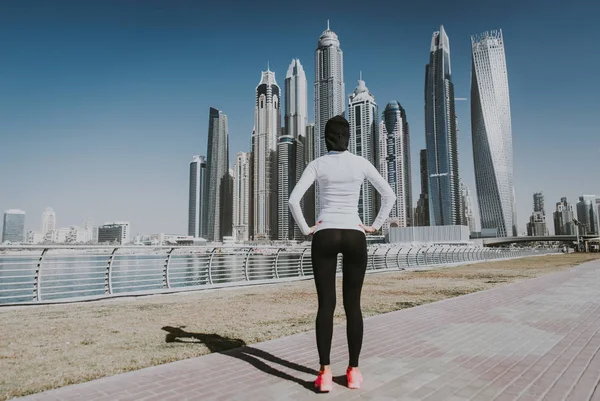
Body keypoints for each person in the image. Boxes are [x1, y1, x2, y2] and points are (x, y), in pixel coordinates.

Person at [288, 115, 396, 392]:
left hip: (324, 233)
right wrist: (374, 226)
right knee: (353, 306)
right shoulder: (360, 163)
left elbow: (292, 200)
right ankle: (354, 372)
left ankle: (324, 374)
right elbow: (389, 195)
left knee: (326, 306)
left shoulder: (318, 164)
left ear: (326, 137)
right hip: (354, 234)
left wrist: (306, 228)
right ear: (348, 137)